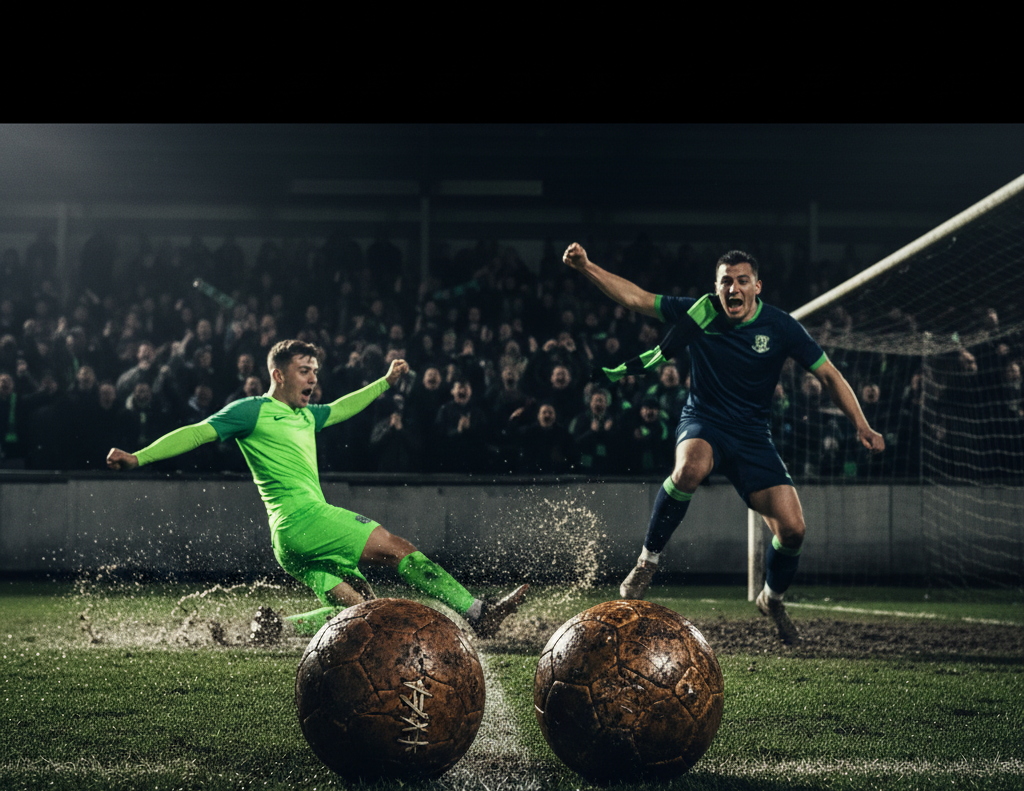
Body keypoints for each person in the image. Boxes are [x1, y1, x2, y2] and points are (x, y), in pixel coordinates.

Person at [562, 242, 884, 644]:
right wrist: (588, 267)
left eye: (742, 281)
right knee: (689, 469)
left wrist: (862, 425)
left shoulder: (781, 326)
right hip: (704, 422)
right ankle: (647, 562)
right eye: (725, 282)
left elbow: (829, 375)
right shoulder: (701, 312)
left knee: (794, 530)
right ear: (716, 288)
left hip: (752, 436)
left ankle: (771, 598)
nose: (733, 289)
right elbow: (639, 300)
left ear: (757, 286)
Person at [106, 338, 527, 639]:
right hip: (303, 518)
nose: (313, 379)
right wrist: (138, 457)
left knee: (364, 609)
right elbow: (197, 432)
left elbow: (344, 406)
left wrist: (384, 383)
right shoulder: (252, 410)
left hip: (286, 543)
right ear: (278, 374)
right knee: (399, 549)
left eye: (315, 372)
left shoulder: (307, 415)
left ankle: (277, 628)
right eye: (304, 371)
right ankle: (478, 612)